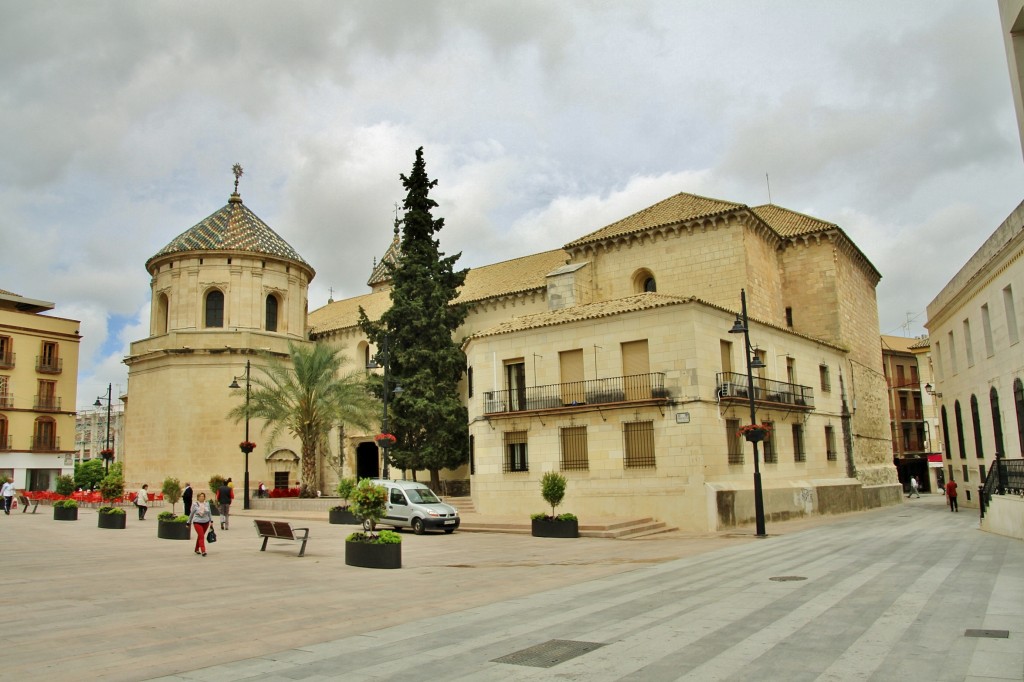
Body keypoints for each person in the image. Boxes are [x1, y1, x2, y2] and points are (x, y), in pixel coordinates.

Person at [187, 491, 213, 557]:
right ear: (198, 497)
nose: (202, 497)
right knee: (201, 536)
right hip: (197, 522)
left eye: (203, 496)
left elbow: (209, 513)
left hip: (206, 522)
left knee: (200, 536)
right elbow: (191, 513)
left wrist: (211, 521)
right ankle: (203, 551)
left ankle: (196, 549)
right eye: (200, 496)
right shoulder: (195, 504)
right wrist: (188, 522)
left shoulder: (207, 504)